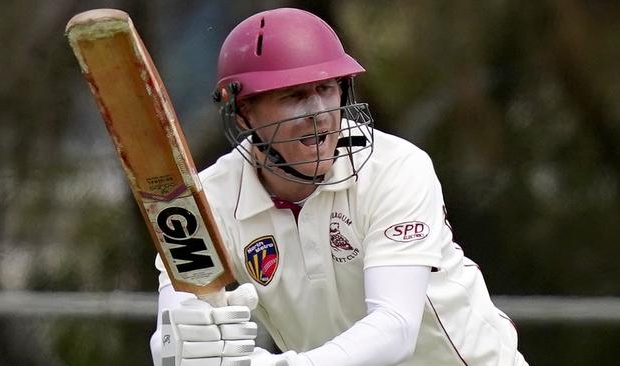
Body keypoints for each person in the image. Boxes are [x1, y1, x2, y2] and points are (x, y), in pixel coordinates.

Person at [150, 7, 528, 366]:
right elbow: (173, 327)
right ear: (245, 110)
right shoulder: (204, 203)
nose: (319, 113)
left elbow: (396, 326)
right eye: (293, 96)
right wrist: (178, 346)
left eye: (327, 89)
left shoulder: (395, 168)